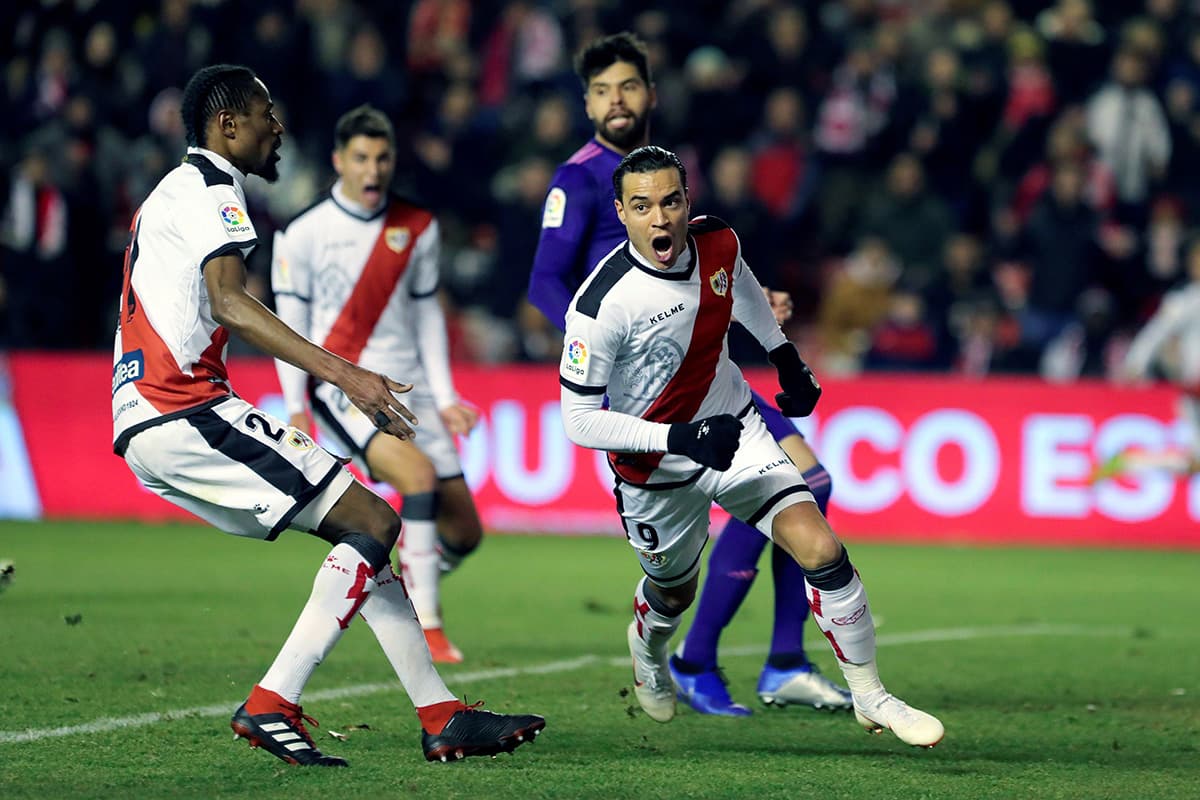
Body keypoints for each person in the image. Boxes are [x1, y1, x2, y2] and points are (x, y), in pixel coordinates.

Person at [111, 64, 544, 767]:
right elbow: (229, 301)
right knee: (375, 522)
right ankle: (271, 701)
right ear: (227, 126)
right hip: (181, 405)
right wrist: (347, 376)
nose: (277, 128)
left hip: (148, 412)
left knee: (365, 534)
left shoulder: (172, 191)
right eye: (264, 115)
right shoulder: (216, 188)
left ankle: (440, 714)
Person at [559, 145, 943, 747]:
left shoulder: (719, 242)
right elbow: (579, 421)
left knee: (818, 545)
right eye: (642, 206)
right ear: (621, 212)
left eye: (670, 201)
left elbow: (743, 292)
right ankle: (650, 647)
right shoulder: (600, 305)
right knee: (672, 591)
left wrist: (786, 358)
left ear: (688, 202)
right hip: (654, 469)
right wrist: (680, 437)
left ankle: (872, 697)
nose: (659, 218)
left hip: (734, 428)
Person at [528, 32, 849, 716]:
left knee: (810, 484)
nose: (618, 101)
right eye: (602, 90)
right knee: (678, 573)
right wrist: (600, 356)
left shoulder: (671, 170)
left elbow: (704, 274)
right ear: (586, 103)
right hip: (639, 396)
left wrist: (742, 305)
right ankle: (701, 656)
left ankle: (774, 661)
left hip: (710, 375)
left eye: (629, 87)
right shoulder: (580, 179)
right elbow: (546, 283)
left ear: (650, 93)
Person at [271, 104, 481, 664]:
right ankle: (428, 626)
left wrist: (447, 393)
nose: (373, 169)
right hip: (347, 386)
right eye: (361, 158)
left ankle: (384, 583)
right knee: (416, 479)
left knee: (464, 533)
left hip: (413, 387)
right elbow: (288, 326)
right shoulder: (302, 233)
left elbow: (428, 313)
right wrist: (296, 405)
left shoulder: (419, 226)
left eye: (382, 158)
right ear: (339, 161)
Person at [1097, 237, 1200, 480]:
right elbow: (1156, 332)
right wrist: (1136, 363)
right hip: (1195, 391)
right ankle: (1128, 462)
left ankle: (1128, 462)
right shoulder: (1186, 300)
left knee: (1195, 462)